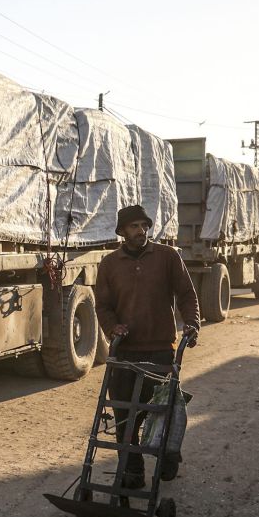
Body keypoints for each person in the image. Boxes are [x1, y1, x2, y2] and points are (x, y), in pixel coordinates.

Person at [94, 205, 200, 488]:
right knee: (125, 416)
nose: (141, 231)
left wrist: (192, 323)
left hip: (160, 350)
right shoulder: (109, 264)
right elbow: (103, 306)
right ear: (122, 232)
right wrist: (112, 327)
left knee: (162, 412)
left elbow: (187, 294)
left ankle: (167, 456)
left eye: (144, 226)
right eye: (134, 227)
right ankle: (132, 471)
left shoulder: (167, 257)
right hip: (125, 352)